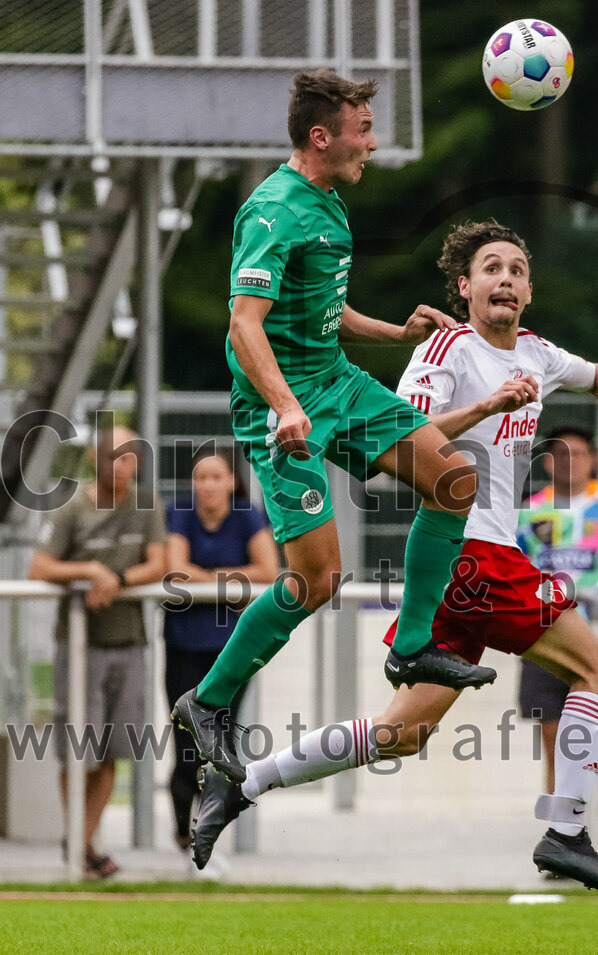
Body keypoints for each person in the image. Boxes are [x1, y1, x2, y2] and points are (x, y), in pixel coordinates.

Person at [190, 220, 598, 897]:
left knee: (399, 733)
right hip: (474, 554)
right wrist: (488, 405)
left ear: (528, 293)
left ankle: (241, 784)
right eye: (491, 267)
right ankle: (567, 832)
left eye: (518, 270)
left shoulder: (537, 353)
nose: (506, 278)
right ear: (463, 287)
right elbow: (409, 436)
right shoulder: (446, 350)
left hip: (466, 569)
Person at [171, 69, 497, 783]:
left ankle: (412, 645)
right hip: (281, 403)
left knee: (454, 478)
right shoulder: (272, 210)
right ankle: (208, 701)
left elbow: (323, 310)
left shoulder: (328, 203)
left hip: (337, 383)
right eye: (362, 132)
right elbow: (244, 324)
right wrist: (287, 406)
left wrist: (394, 330)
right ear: (322, 137)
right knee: (316, 581)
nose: (372, 146)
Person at [28, 425, 167, 879]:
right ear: (96, 459)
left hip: (130, 644)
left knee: (112, 752)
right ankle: (81, 846)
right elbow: (40, 567)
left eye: (129, 458)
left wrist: (117, 581)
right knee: (78, 750)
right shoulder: (72, 508)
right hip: (80, 647)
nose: (121, 467)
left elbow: (160, 563)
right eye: (112, 457)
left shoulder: (146, 505)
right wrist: (89, 570)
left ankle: (81, 844)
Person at [517, 426, 598, 885]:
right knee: (556, 747)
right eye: (559, 454)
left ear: (592, 459)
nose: (569, 461)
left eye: (578, 453)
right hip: (544, 645)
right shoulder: (529, 511)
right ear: (547, 462)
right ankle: (563, 842)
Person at [164, 446, 277, 862]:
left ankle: (211, 834)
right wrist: (225, 582)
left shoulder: (248, 514)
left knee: (223, 742)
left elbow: (268, 569)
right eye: (200, 478)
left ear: (231, 481)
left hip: (233, 651)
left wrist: (210, 582)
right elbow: (175, 568)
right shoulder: (180, 512)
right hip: (183, 645)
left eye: (215, 477)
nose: (207, 486)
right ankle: (182, 832)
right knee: (185, 741)